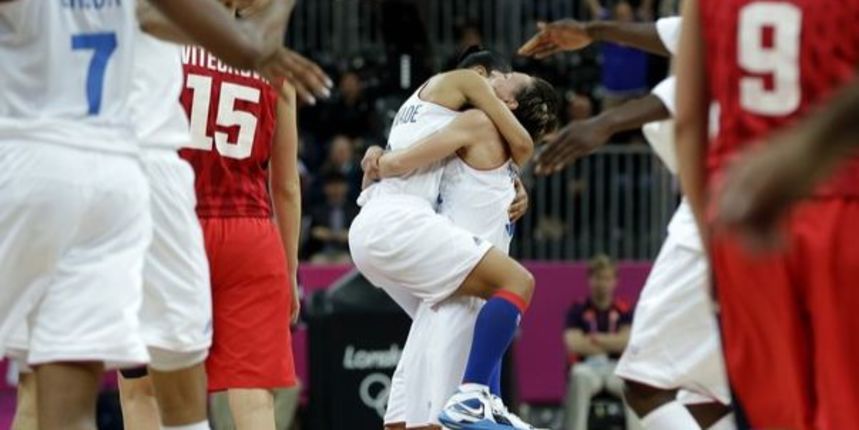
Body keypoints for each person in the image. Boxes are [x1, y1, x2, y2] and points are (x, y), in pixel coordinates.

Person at [0, 2, 329, 430]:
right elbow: (284, 179)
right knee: (193, 386)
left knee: (50, 383)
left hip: (35, 164)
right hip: (144, 182)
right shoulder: (153, 12)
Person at [520, 16, 734, 430]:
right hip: (768, 217)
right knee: (710, 396)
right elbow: (670, 34)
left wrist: (604, 123)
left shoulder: (729, 36)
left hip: (714, 217)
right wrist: (593, 31)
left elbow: (683, 89)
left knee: (644, 383)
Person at [675, 0, 859, 428]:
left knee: (774, 415)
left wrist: (710, 246)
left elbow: (687, 121)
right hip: (843, 207)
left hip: (745, 221)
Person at [350, 62, 557, 428]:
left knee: (416, 419)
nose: (496, 74)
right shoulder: (484, 136)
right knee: (415, 418)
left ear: (507, 104)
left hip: (458, 288)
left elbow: (407, 159)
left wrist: (381, 159)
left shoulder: (478, 124)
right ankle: (483, 396)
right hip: (455, 281)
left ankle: (483, 396)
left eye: (507, 78)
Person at [178, 14, 303, 430]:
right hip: (251, 234)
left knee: (153, 388)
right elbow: (285, 185)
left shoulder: (164, 45)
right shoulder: (273, 65)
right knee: (253, 397)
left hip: (175, 226)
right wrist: (289, 269)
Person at [563, 255, 636, 430]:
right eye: (598, 278)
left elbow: (626, 342)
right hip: (588, 369)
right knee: (578, 376)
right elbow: (574, 344)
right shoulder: (577, 309)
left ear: (615, 281)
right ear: (590, 280)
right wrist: (613, 341)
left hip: (617, 369)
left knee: (634, 381)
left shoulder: (624, 310)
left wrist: (594, 339)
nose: (602, 284)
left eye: (607, 278)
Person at [306, 171, 358, 263]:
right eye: (332, 185)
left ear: (346, 187)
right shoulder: (317, 211)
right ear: (325, 188)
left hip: (346, 252)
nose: (336, 189)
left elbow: (359, 234)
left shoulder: (354, 211)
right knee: (317, 261)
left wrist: (348, 235)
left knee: (346, 260)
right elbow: (312, 232)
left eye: (339, 185)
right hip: (323, 251)